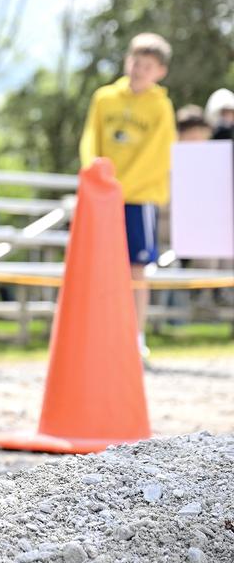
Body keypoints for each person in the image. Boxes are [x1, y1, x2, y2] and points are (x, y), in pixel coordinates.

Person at [79, 33, 177, 360]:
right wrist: (95, 173)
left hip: (137, 197)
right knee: (100, 265)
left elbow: (157, 154)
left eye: (147, 66)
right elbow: (91, 138)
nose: (139, 70)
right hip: (102, 195)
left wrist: (121, 186)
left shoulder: (161, 107)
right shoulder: (104, 97)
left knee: (137, 266)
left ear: (160, 71)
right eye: (135, 62)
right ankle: (101, 332)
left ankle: (136, 335)